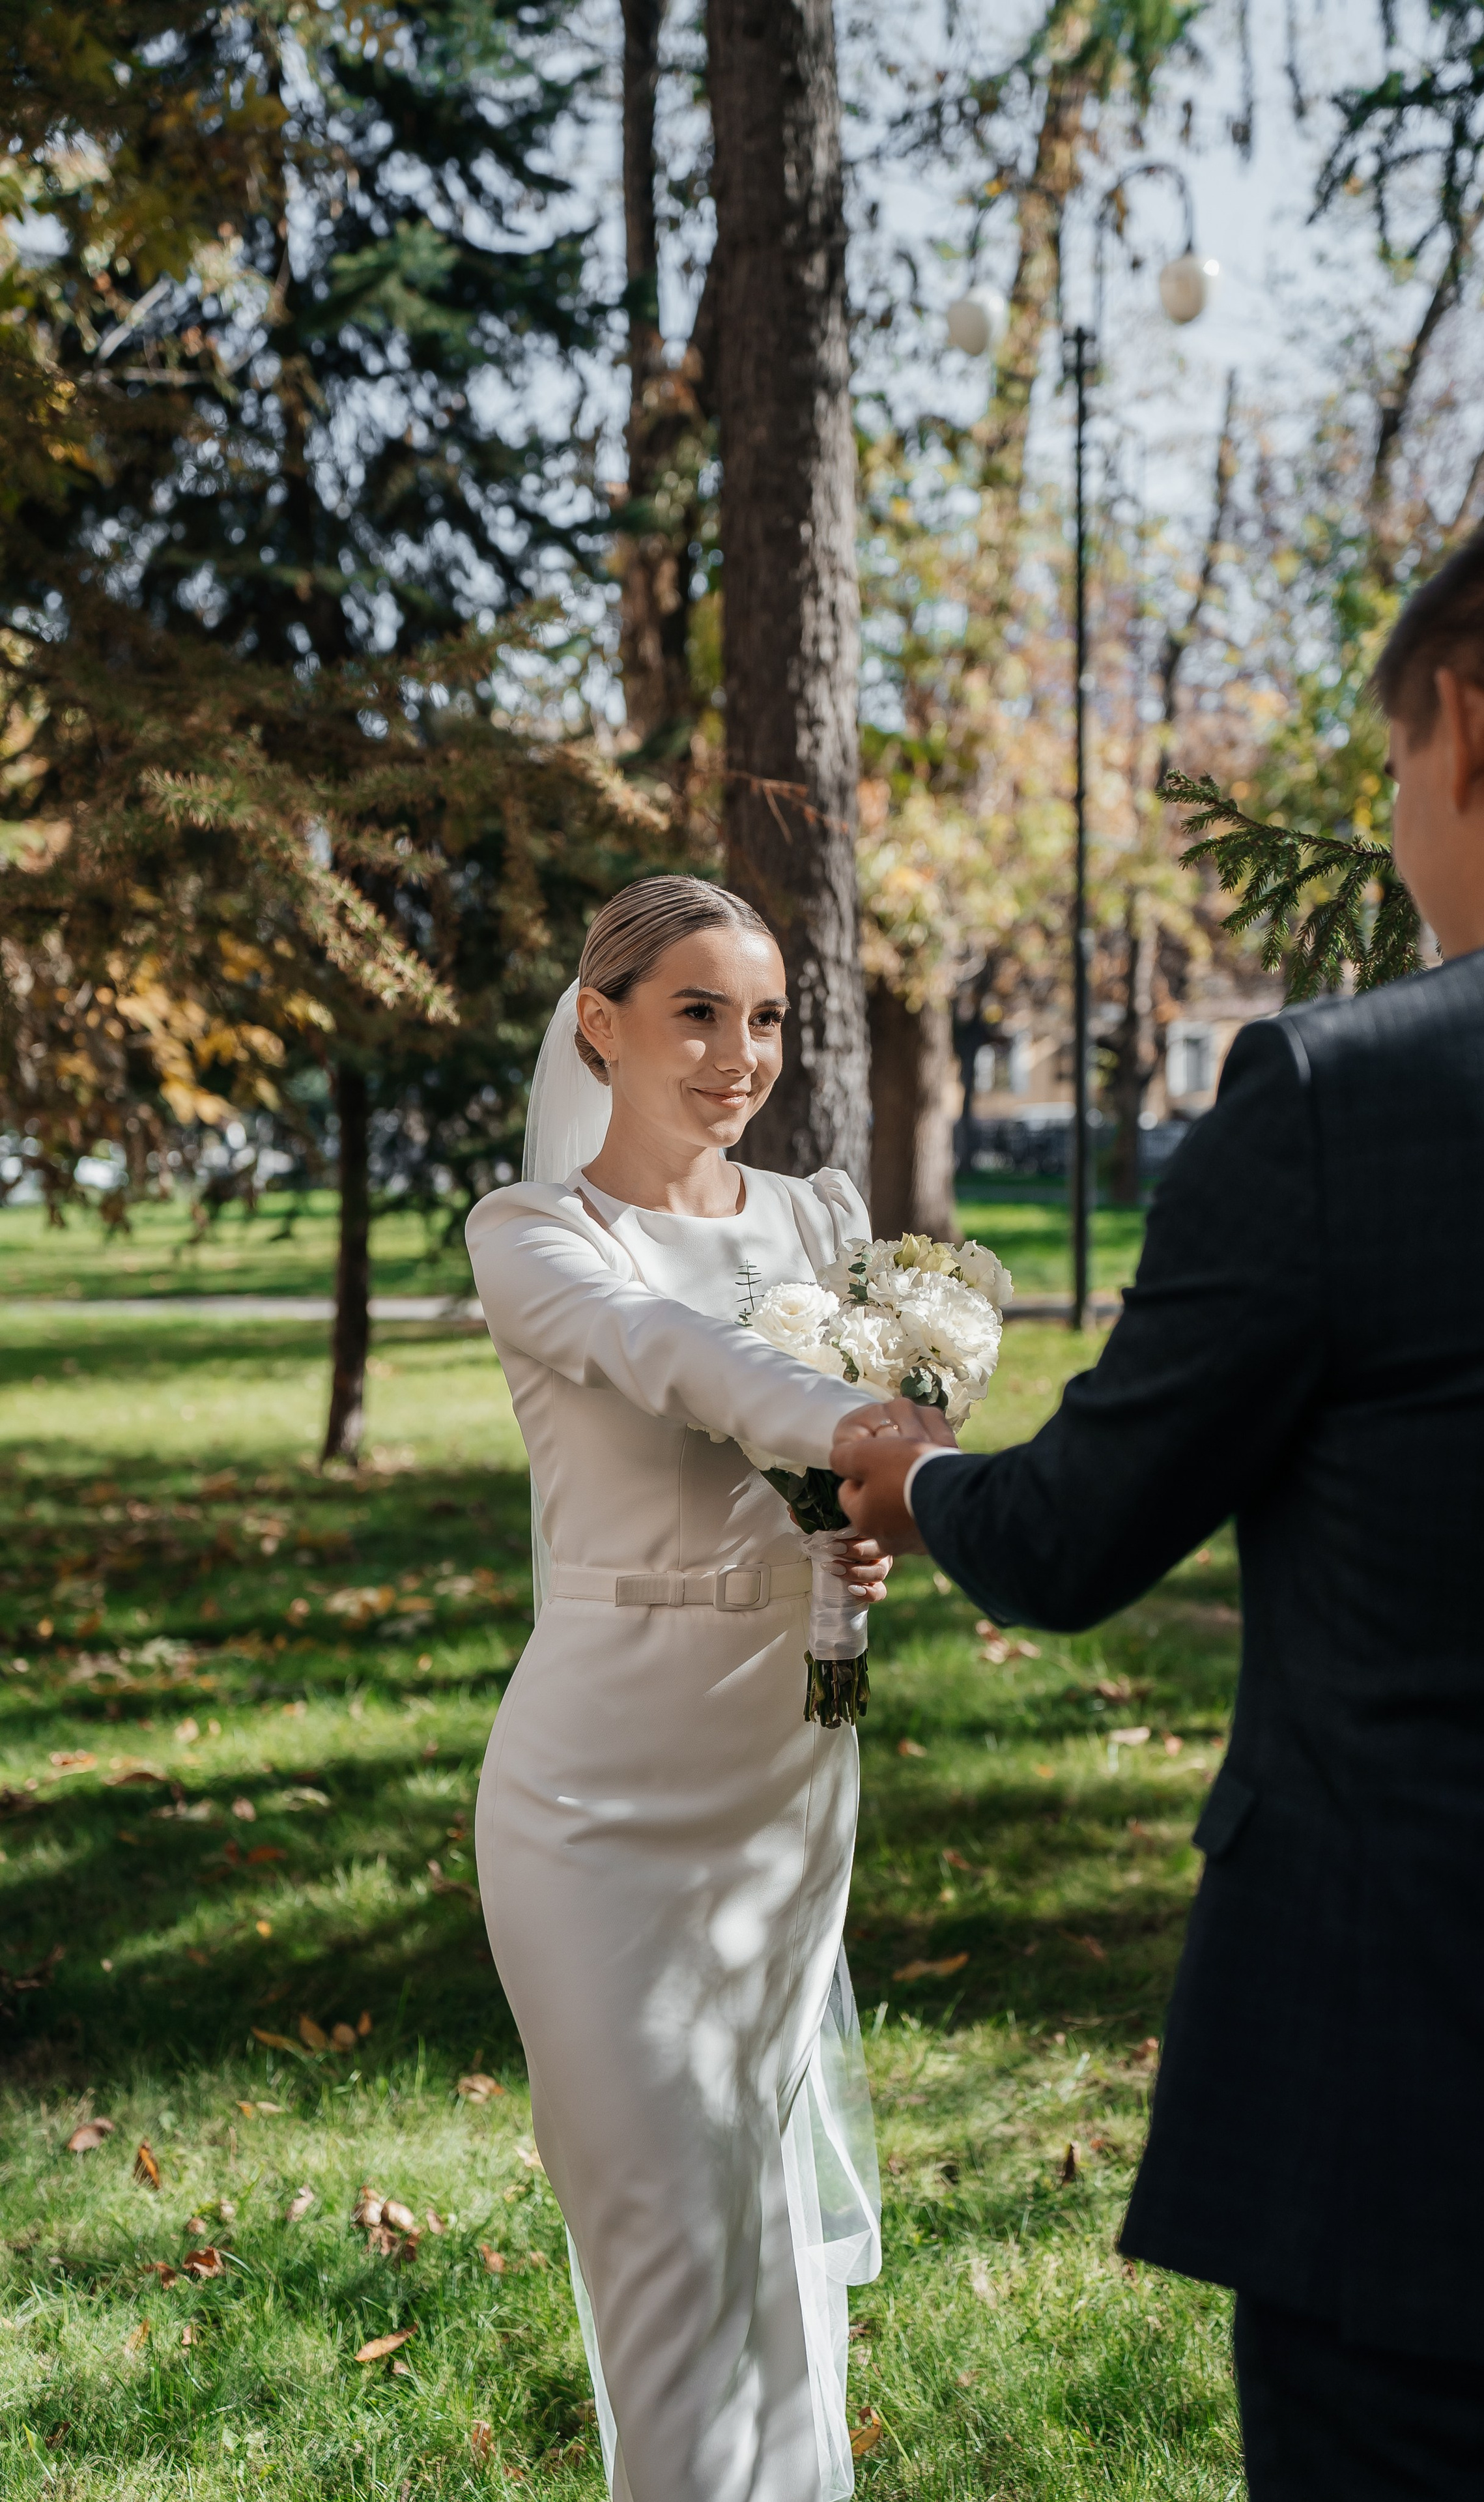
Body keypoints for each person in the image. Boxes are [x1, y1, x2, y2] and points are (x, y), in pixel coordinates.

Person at [833, 489, 1484, 2497]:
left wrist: (905, 1468)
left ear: (1461, 728)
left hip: (1439, 2156)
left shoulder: (1346, 1094)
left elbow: (1071, 1540)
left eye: (1393, 769)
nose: (1398, 824)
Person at [466, 876, 894, 2502]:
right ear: (601, 1020)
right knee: (656, 2226)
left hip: (784, 1768)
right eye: (696, 1011)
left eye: (765, 1016)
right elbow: (674, 1360)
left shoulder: (823, 1225)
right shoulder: (533, 1236)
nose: (738, 1054)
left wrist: (852, 1537)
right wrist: (865, 1439)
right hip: (594, 1792)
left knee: (757, 2207)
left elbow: (823, 1484)